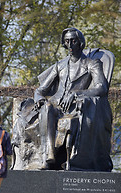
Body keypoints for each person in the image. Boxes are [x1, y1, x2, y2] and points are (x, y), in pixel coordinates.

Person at [34, 27, 114, 171]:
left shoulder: (92, 63)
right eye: (67, 41)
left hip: (74, 107)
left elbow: (101, 87)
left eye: (73, 41)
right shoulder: (60, 65)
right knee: (46, 108)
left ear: (80, 43)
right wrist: (38, 98)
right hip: (55, 105)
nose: (70, 45)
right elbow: (40, 90)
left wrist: (77, 94)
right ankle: (49, 156)